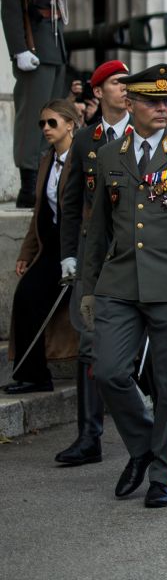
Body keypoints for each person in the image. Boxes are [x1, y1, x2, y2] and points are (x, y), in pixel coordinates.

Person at [77, 64, 167, 510]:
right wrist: (87, 286)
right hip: (118, 281)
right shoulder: (109, 154)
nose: (163, 109)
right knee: (109, 371)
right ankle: (142, 448)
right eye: (153, 102)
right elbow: (96, 228)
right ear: (131, 103)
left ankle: (163, 474)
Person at [53, 60, 132, 464]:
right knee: (88, 340)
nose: (125, 88)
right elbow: (71, 203)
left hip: (135, 251)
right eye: (117, 83)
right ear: (98, 92)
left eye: (126, 83)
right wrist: (69, 253)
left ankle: (139, 423)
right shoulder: (85, 139)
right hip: (93, 254)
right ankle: (90, 437)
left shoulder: (144, 134)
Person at [4, 0, 89, 205]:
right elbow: (11, 9)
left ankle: (44, 177)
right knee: (33, 118)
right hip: (35, 44)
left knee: (54, 115)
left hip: (55, 44)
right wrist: (19, 51)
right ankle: (28, 182)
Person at [6, 98, 81, 394]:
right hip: (49, 246)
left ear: (70, 124)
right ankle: (32, 374)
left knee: (46, 303)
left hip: (74, 246)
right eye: (42, 124)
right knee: (25, 297)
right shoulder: (47, 159)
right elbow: (39, 211)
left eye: (52, 122)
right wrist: (27, 253)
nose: (46, 128)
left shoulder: (82, 158)